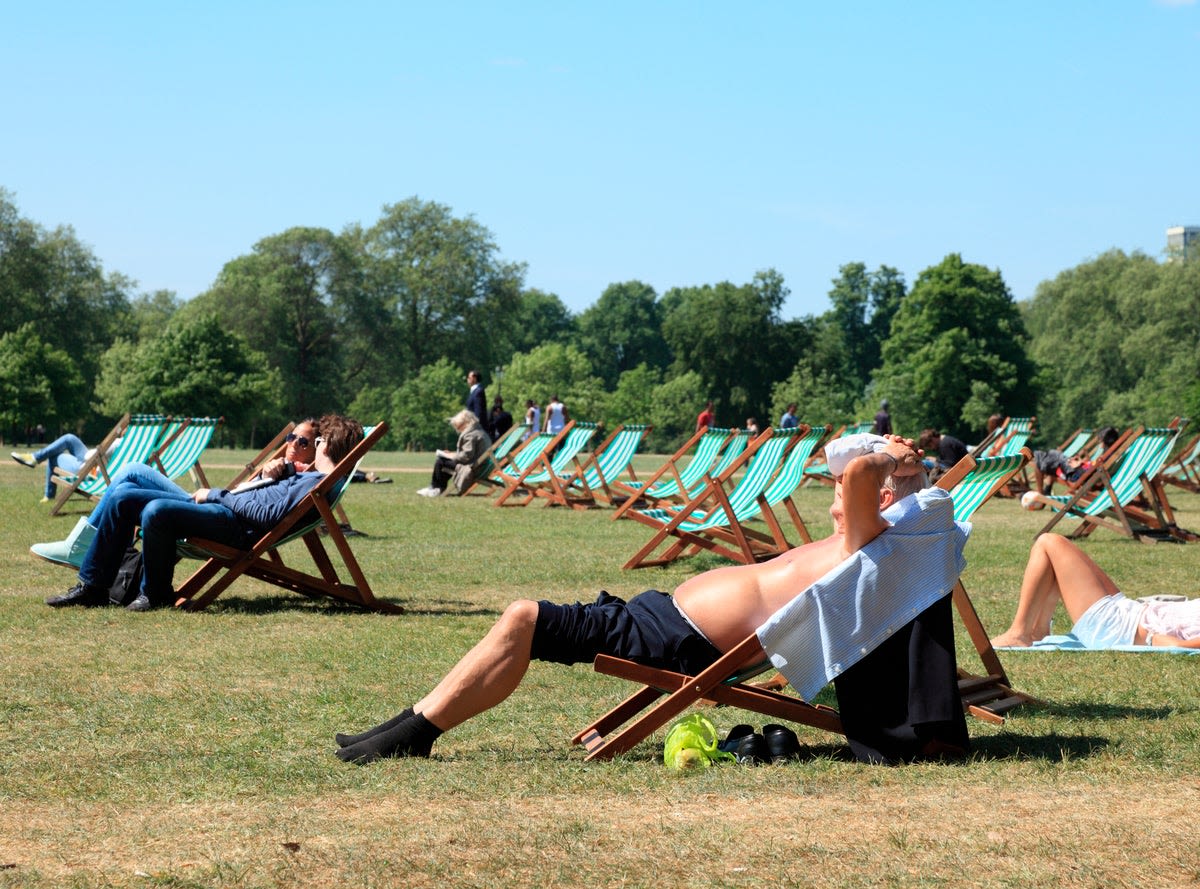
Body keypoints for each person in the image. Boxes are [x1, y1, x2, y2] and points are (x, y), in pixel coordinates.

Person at [334, 433, 951, 764]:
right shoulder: (848, 543)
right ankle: (409, 726)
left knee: (523, 617)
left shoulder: (860, 549)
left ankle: (414, 732)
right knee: (526, 619)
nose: (835, 490)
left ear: (881, 500)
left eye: (844, 487)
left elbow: (868, 478)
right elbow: (851, 468)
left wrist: (888, 459)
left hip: (676, 641)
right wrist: (886, 460)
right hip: (658, 617)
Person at [34, 415, 364, 612]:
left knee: (158, 509)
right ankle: (93, 587)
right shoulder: (302, 474)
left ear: (326, 444)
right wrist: (268, 475)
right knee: (122, 496)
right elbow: (258, 497)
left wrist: (216, 495)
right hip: (226, 511)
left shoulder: (317, 482)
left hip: (236, 526)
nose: (305, 444)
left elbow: (265, 517)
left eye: (316, 441)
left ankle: (155, 594)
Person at [990, 534, 1200, 649]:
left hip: (1117, 629)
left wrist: (1154, 640)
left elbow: (1184, 646)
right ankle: (1037, 631)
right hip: (1130, 612)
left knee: (1049, 543)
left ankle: (1019, 633)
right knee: (1055, 559)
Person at [13, 433, 119, 503]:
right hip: (94, 465)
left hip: (90, 470)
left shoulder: (118, 443)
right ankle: (34, 458)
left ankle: (48, 494)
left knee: (53, 456)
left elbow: (89, 457)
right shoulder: (126, 447)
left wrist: (97, 449)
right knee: (69, 438)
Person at [417, 410, 493, 497]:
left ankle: (435, 488)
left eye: (458, 427)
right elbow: (471, 453)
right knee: (446, 461)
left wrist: (451, 456)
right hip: (480, 467)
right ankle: (437, 488)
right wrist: (452, 454)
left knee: (441, 461)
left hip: (472, 469)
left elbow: (466, 456)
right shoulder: (480, 431)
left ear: (466, 423)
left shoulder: (471, 435)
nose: (458, 430)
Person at [1030, 426, 1120, 495]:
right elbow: (1093, 468)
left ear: (1107, 440)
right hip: (1078, 471)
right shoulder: (1111, 454)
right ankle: (1046, 490)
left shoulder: (1107, 456)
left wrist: (1078, 467)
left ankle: (1040, 494)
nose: (1100, 442)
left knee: (1042, 458)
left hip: (1075, 475)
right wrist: (1082, 463)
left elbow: (1091, 472)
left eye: (1101, 440)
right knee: (1052, 456)